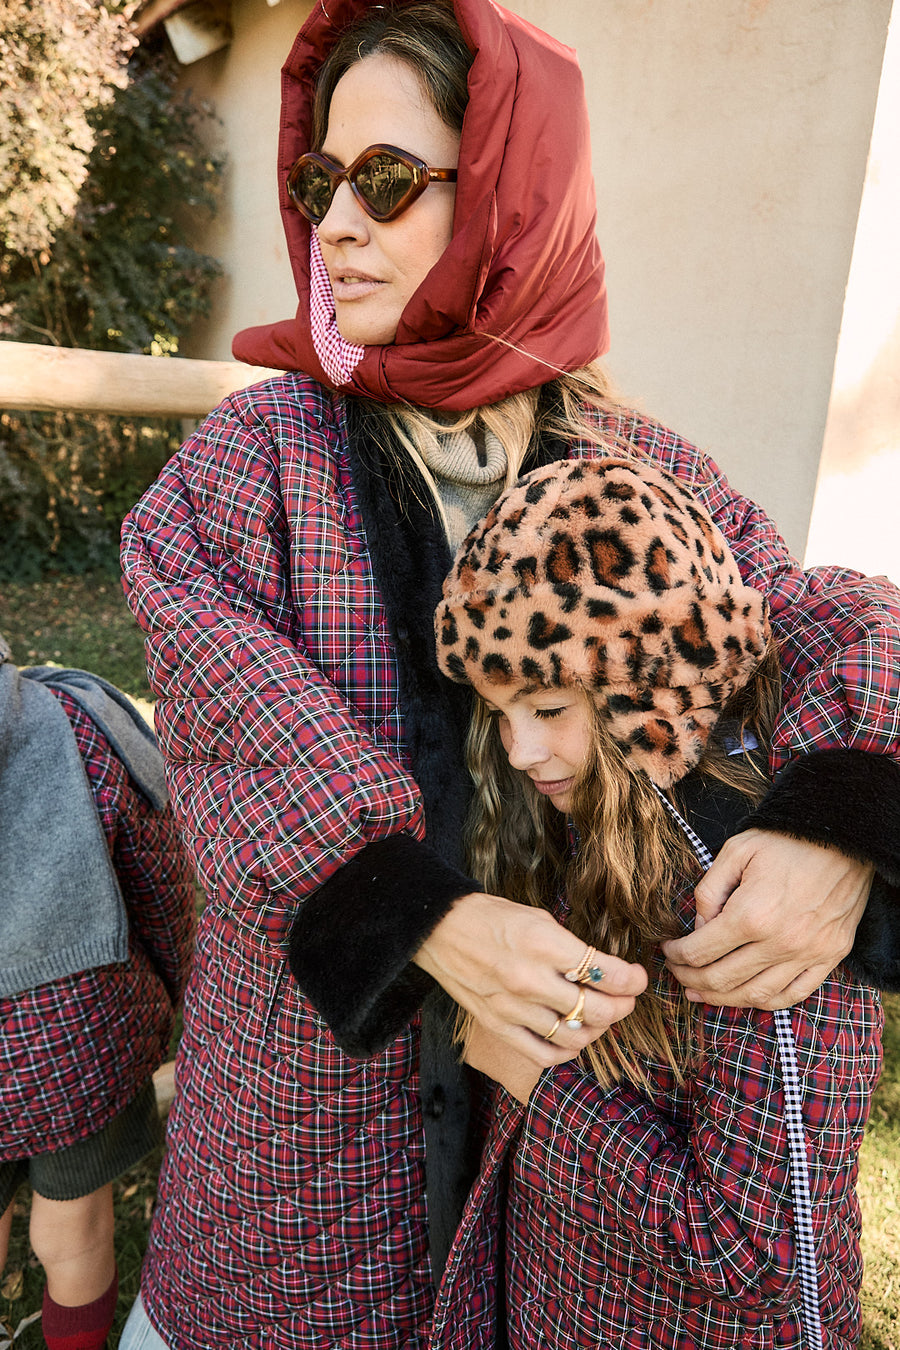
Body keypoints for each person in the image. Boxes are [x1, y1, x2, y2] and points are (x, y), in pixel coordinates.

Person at [117, 1, 900, 1345]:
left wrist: (843, 825)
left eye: (387, 180)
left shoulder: (650, 473)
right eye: (319, 181)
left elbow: (816, 629)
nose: (335, 226)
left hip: (552, 1220)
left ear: (515, 197)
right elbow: (243, 737)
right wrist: (429, 919)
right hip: (295, 1168)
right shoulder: (243, 472)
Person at [427, 455, 891, 1348]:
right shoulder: (599, 813)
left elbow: (760, 1256)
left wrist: (530, 1071)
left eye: (549, 707)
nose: (521, 752)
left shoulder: (752, 897)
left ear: (652, 684)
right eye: (500, 713)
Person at [0, 636, 195, 1350]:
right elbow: (159, 874)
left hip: (71, 1045)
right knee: (73, 1232)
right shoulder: (75, 718)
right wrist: (175, 985)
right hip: (77, 1045)